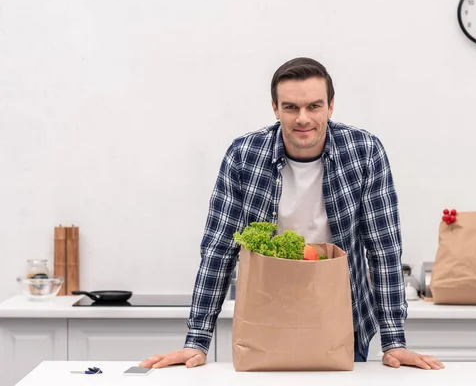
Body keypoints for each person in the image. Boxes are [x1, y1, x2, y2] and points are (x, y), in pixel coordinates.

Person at [140, 57, 445, 371]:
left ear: (330, 106)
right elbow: (219, 249)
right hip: (267, 318)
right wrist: (197, 339)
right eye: (290, 107)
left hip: (342, 318)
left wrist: (394, 341)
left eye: (314, 106)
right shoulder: (244, 155)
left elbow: (383, 249)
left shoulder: (365, 151)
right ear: (275, 108)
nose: (303, 118)